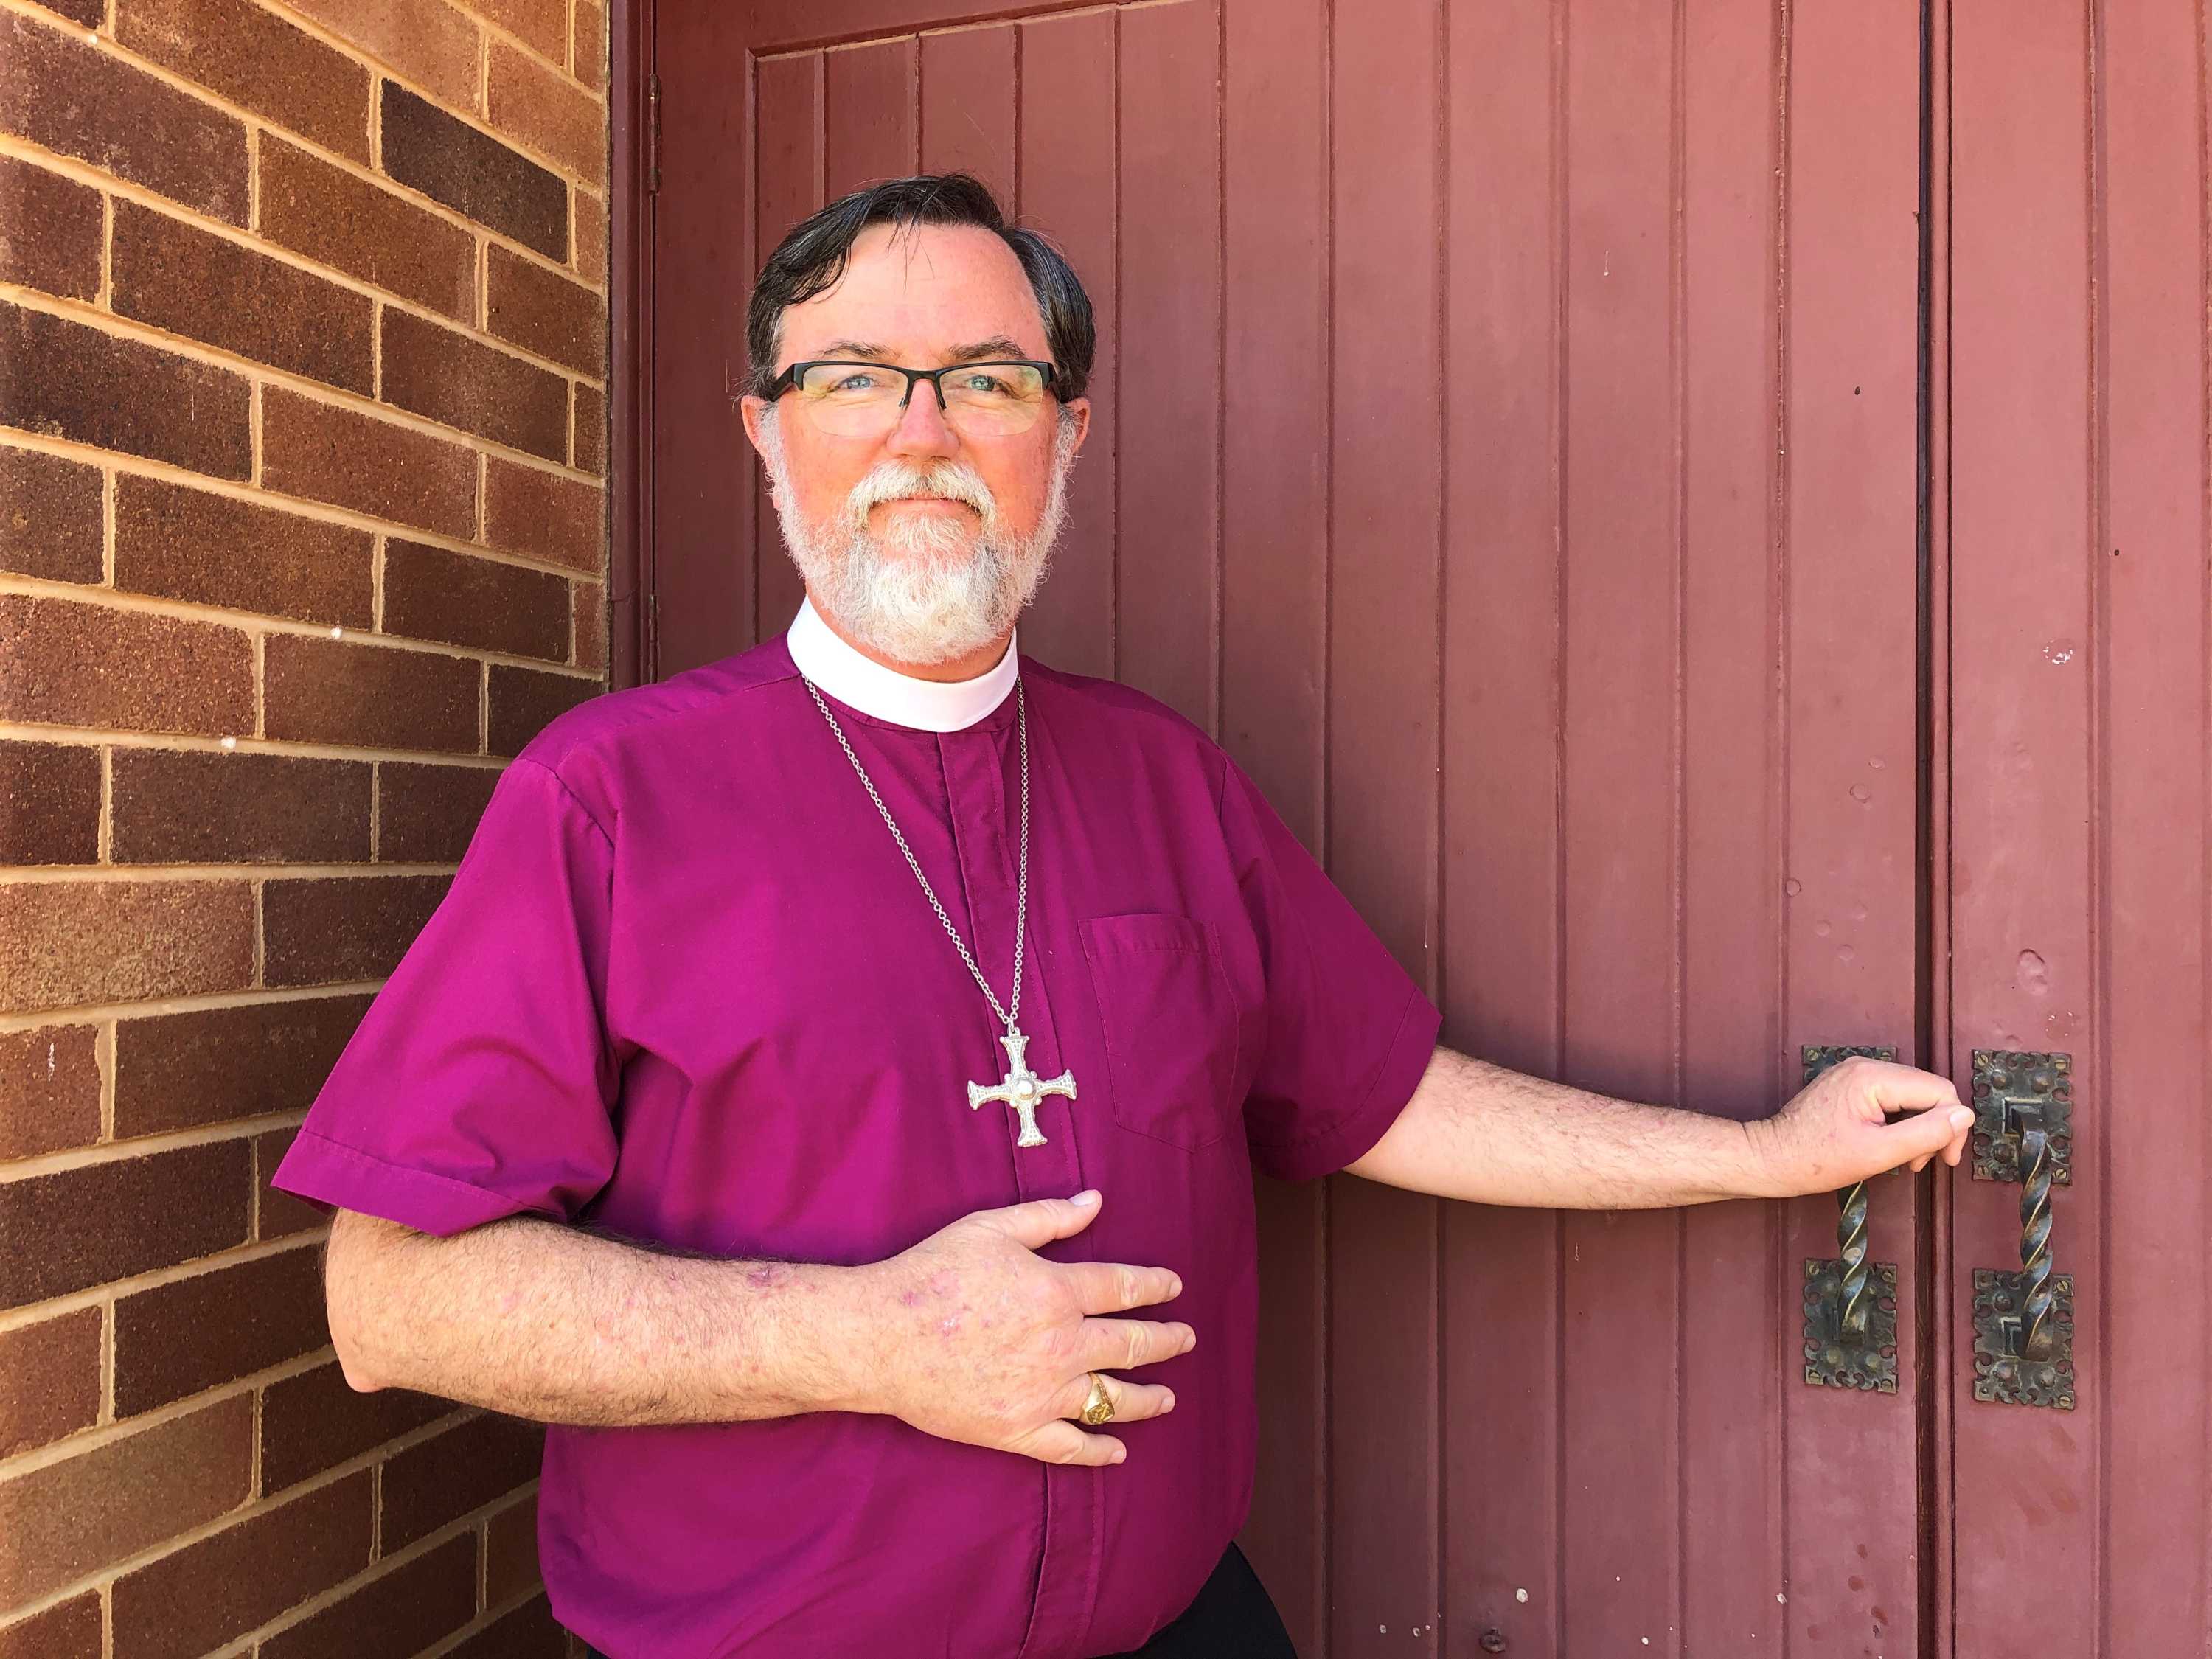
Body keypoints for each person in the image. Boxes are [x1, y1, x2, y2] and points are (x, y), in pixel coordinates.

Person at [271, 173, 1972, 1659]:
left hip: (1177, 1631)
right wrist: (868, 1340)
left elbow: (1382, 1093)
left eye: (990, 381)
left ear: (1066, 431)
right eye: (856, 376)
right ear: (764, 427)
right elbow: (394, 1299)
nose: (921, 432)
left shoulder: (1167, 781)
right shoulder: (609, 801)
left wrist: (1758, 1156)